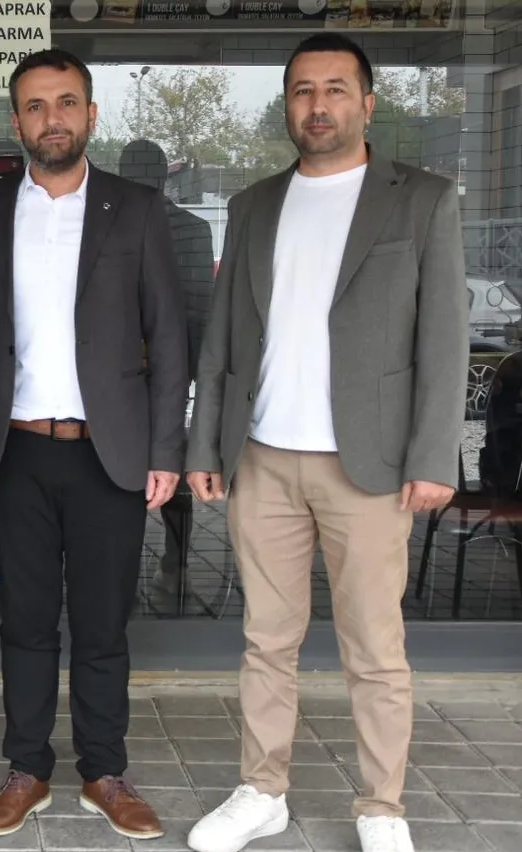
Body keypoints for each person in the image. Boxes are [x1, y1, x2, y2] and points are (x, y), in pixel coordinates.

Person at [184, 34, 467, 852]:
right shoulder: (253, 204)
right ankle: (261, 791)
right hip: (262, 458)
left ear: (366, 104)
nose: (317, 105)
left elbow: (444, 340)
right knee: (264, 640)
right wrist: (204, 445)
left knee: (374, 649)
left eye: (335, 89)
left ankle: (381, 807)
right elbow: (222, 339)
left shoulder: (421, 199)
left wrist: (431, 458)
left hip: (369, 466)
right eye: (302, 90)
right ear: (287, 105)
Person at [0, 49, 188, 842]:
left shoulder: (136, 209)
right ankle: (26, 769)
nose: (52, 119)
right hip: (13, 454)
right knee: (24, 622)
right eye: (35, 105)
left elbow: (168, 337)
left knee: (101, 625)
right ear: (15, 121)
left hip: (106, 454)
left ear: (90, 114)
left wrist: (164, 449)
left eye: (66, 102)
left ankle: (103, 772)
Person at [117, 139, 217, 607]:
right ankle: (174, 568)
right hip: (167, 373)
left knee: (128, 472)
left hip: (125, 375)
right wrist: (191, 372)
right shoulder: (193, 229)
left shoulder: (113, 226)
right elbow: (200, 307)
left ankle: (140, 573)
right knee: (168, 464)